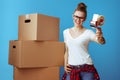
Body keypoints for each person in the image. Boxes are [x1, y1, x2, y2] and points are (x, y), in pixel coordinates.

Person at [62, 2, 105, 80]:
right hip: (72, 69)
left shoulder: (88, 32)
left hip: (87, 69)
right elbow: (67, 51)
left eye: (81, 18)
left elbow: (101, 42)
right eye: (76, 16)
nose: (78, 20)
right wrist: (65, 65)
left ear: (84, 19)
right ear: (73, 16)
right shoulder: (65, 32)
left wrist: (100, 36)